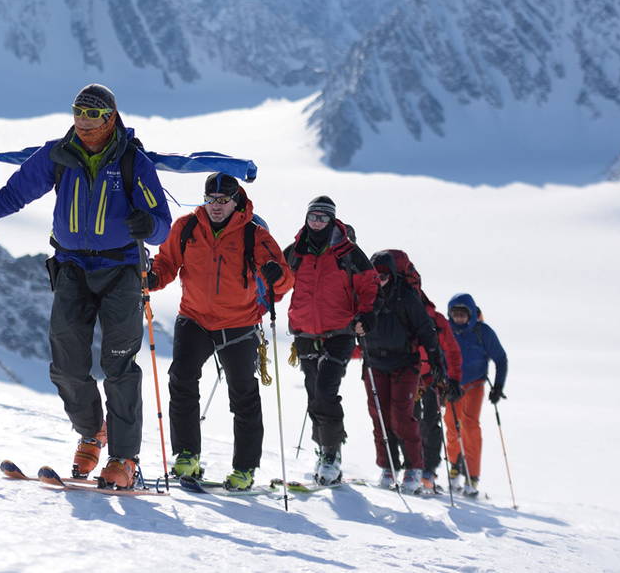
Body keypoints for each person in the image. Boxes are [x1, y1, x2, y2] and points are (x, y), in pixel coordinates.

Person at [0, 83, 171, 489]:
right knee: (66, 366)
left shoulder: (132, 162)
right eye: (78, 111)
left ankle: (124, 459)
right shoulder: (58, 155)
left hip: (121, 271)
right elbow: (13, 195)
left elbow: (162, 223)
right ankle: (93, 432)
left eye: (93, 114)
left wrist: (150, 226)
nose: (83, 121)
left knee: (119, 367)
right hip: (71, 267)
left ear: (111, 118)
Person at [147, 173, 292, 490]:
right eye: (210, 199)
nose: (215, 206)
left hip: (238, 322)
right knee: (181, 380)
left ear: (235, 200)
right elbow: (167, 262)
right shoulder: (186, 227)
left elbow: (284, 280)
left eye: (222, 200)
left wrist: (274, 274)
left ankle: (244, 469)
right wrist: (153, 278)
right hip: (194, 317)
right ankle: (187, 456)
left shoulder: (254, 235)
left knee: (243, 396)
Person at [284, 196, 379, 485]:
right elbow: (276, 280)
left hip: (340, 331)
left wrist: (367, 314)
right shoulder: (296, 251)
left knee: (325, 391)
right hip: (304, 331)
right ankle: (324, 446)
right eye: (313, 216)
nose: (317, 222)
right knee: (315, 395)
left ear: (332, 220)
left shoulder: (348, 252)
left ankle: (331, 454)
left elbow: (369, 285)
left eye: (323, 218)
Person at [364, 250, 463, 494]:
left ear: (394, 275)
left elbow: (426, 332)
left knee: (402, 415)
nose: (381, 278)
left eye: (385, 274)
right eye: (377, 274)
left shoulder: (407, 298)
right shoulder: (366, 296)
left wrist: (438, 364)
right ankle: (388, 466)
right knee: (380, 416)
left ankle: (415, 468)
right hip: (375, 363)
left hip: (405, 363)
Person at [443, 292, 508, 497]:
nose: (459, 318)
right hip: (450, 386)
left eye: (463, 314)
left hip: (474, 386)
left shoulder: (483, 332)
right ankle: (454, 465)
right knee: (452, 426)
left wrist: (497, 387)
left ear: (471, 314)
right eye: (455, 314)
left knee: (470, 426)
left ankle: (472, 476)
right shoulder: (445, 331)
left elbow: (501, 359)